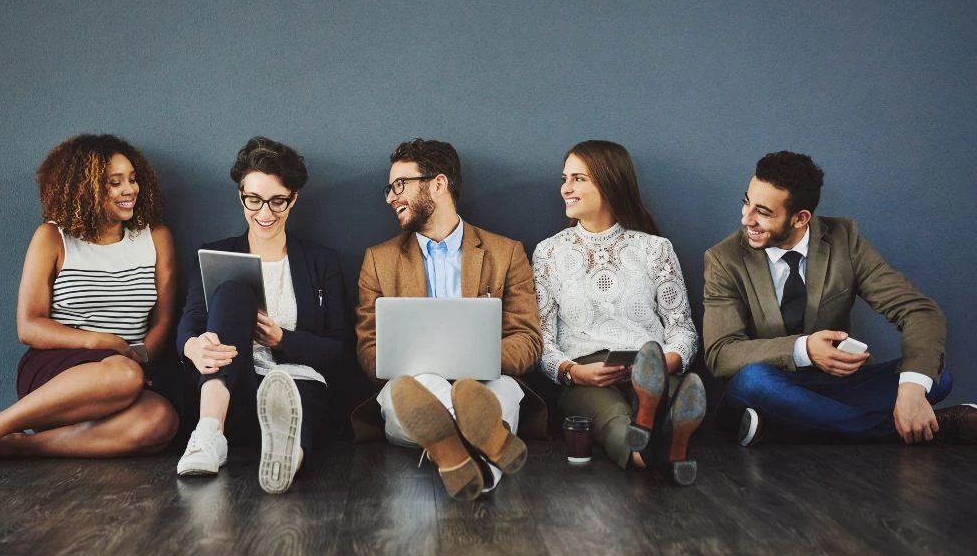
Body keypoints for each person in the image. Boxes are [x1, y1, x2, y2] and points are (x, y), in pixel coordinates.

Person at [703, 151, 976, 446]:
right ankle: (931, 429)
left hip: (836, 386)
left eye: (763, 212)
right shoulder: (724, 258)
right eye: (747, 202)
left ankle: (786, 428)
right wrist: (804, 349)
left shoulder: (843, 238)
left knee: (935, 376)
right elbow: (721, 353)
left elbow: (919, 311)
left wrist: (911, 391)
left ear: (801, 218)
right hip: (770, 385)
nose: (746, 218)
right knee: (754, 380)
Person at [0, 134, 179, 461]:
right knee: (121, 375)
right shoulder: (52, 238)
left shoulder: (155, 237)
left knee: (161, 421)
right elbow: (29, 327)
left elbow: (165, 319)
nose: (130, 190)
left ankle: (13, 445)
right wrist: (101, 342)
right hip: (58, 373)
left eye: (132, 179)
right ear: (83, 189)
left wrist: (140, 358)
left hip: (130, 370)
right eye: (114, 183)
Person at [353, 139, 543, 501]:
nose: (390, 198)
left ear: (438, 184)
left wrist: (475, 362)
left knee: (499, 391)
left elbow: (528, 339)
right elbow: (369, 349)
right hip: (413, 387)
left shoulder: (506, 253)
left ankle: (452, 453)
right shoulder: (378, 260)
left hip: (488, 380)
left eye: (399, 185)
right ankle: (490, 445)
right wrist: (431, 367)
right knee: (406, 393)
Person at [175, 136, 351, 495]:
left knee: (298, 404)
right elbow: (189, 324)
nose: (265, 213)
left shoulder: (321, 262)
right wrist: (192, 347)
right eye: (253, 200)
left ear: (294, 198)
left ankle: (287, 458)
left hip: (300, 387)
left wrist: (283, 340)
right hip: (234, 390)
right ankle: (208, 433)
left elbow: (340, 348)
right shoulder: (215, 255)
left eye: (277, 201)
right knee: (235, 290)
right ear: (241, 195)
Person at [533, 140, 706, 485]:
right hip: (586, 374)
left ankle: (654, 422)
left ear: (609, 182)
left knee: (673, 397)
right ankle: (666, 449)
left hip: (652, 364)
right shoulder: (548, 252)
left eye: (578, 178)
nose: (566, 188)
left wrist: (662, 364)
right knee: (613, 417)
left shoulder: (655, 249)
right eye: (565, 178)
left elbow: (682, 329)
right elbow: (541, 337)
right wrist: (571, 372)